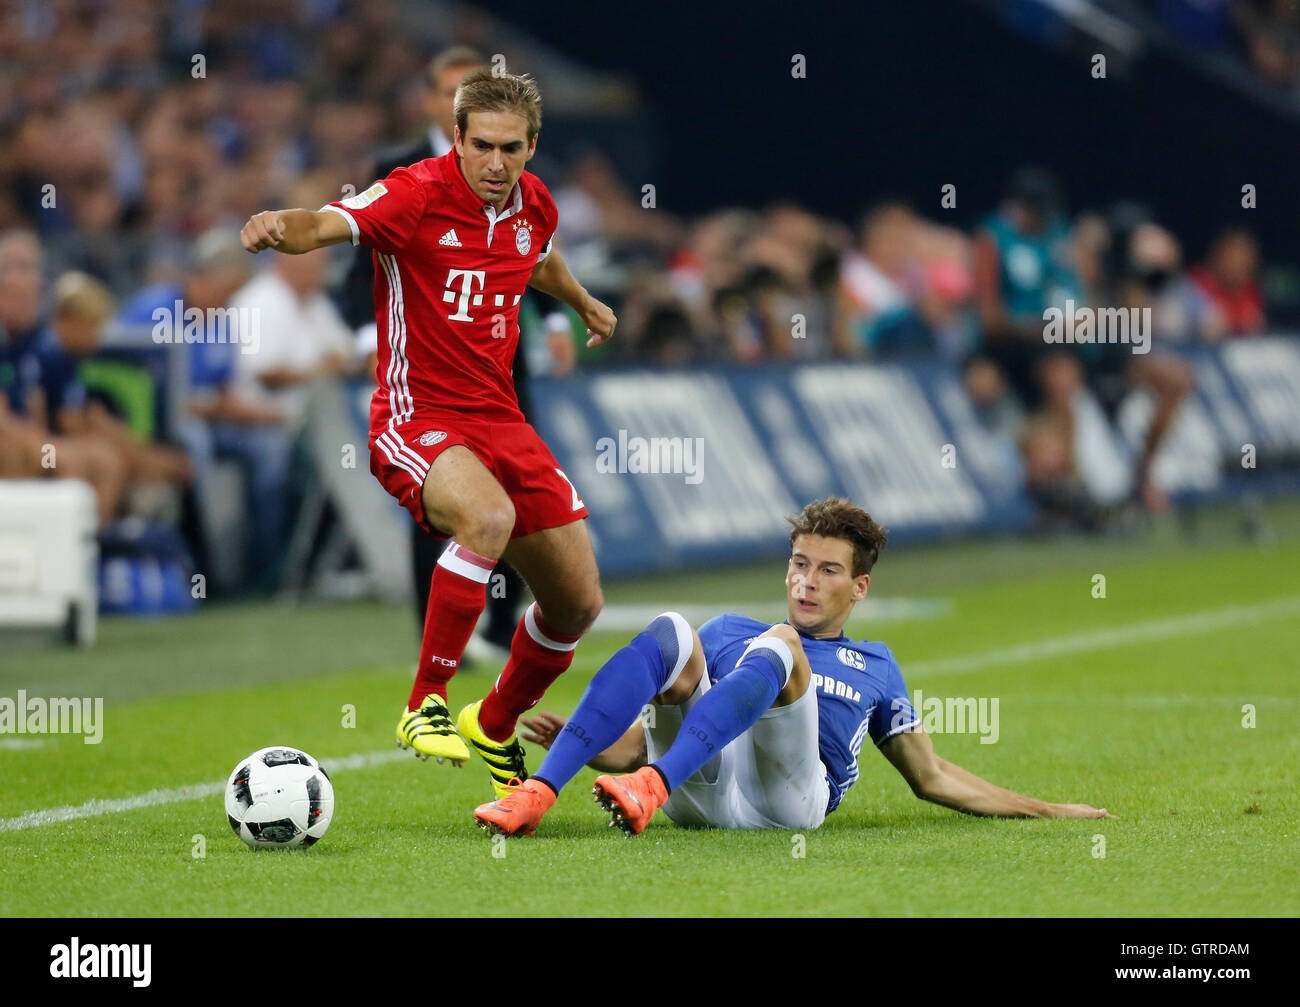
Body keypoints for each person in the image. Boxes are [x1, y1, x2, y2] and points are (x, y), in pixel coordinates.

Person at [240, 68, 617, 801]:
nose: (495, 163)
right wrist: (273, 225)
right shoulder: (413, 192)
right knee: (487, 517)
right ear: (456, 138)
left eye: (510, 148)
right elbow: (324, 222)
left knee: (577, 602)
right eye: (481, 145)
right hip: (418, 414)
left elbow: (538, 260)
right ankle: (425, 703)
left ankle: (495, 718)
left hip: (501, 418)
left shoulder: (532, 204)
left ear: (532, 147)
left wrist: (583, 300)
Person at [475, 497, 1111, 836]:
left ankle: (653, 785)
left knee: (781, 646)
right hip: (694, 794)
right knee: (673, 630)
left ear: (859, 587)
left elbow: (932, 775)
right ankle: (537, 794)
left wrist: (1047, 810)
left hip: (791, 804)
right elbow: (636, 745)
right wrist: (595, 743)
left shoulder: (877, 665)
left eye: (828, 570)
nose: (807, 582)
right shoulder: (728, 633)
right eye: (800, 564)